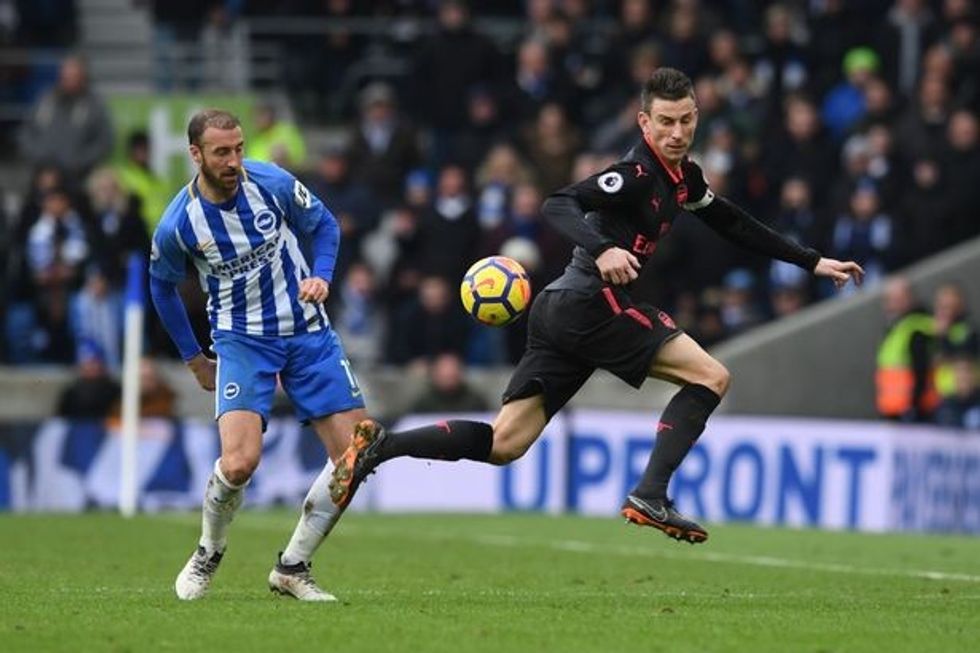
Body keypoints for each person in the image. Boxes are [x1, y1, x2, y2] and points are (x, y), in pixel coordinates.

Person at [328, 68, 863, 545]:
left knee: (505, 443)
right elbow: (558, 202)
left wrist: (811, 261)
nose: (677, 133)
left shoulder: (684, 179)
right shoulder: (634, 175)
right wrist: (604, 247)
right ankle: (650, 493)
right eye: (665, 122)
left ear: (697, 117)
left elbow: (731, 222)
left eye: (685, 120)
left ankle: (379, 447)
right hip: (589, 301)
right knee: (711, 376)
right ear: (644, 122)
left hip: (563, 309)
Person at [149, 109, 370, 602]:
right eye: (221, 152)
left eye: (239, 149)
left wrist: (322, 276)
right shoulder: (179, 223)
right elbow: (161, 288)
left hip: (308, 331)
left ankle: (293, 567)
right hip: (242, 340)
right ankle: (208, 550)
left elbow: (324, 225)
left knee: (356, 456)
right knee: (239, 463)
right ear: (196, 155)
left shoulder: (271, 182)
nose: (233, 161)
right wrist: (194, 358)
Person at [876, 276, 938, 422]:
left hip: (913, 410)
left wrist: (913, 406)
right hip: (894, 408)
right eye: (888, 299)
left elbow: (921, 369)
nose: (890, 304)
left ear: (910, 298)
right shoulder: (897, 326)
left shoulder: (915, 327)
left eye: (897, 299)